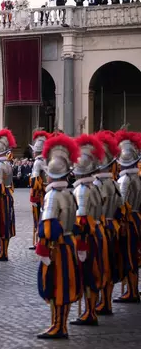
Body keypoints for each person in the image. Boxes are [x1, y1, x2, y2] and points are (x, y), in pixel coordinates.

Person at [35, 134, 81, 339]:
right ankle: (61, 324)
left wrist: (42, 247)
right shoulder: (70, 193)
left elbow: (48, 226)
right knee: (67, 286)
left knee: (56, 286)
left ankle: (57, 325)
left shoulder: (52, 195)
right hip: (70, 243)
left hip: (57, 247)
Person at [70, 134, 107, 326]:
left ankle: (89, 312)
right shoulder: (94, 186)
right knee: (94, 272)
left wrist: (80, 240)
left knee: (87, 274)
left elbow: (82, 219)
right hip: (97, 232)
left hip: (87, 236)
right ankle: (91, 309)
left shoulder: (82, 190)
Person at [93, 131, 122, 315]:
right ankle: (107, 302)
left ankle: (97, 304)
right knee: (110, 266)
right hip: (114, 227)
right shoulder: (115, 183)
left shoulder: (96, 185)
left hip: (100, 229)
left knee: (98, 267)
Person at [114, 130, 141, 303]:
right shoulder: (137, 177)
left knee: (130, 256)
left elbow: (121, 204)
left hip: (128, 221)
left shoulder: (125, 180)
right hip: (137, 217)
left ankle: (132, 291)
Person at [0, 129, 17, 262]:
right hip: (8, 195)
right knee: (7, 224)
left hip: (0, 197)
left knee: (1, 224)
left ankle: (2, 252)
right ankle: (3, 251)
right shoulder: (7, 163)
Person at [30, 130, 50, 250]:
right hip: (46, 190)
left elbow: (35, 180)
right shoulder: (46, 160)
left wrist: (33, 194)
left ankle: (40, 241)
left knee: (38, 217)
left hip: (39, 193)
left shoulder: (38, 162)